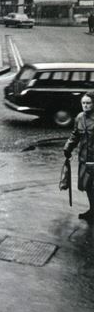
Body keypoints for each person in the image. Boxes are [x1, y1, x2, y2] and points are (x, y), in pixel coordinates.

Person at [64, 91, 94, 220]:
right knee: (87, 186)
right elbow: (75, 135)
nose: (85, 105)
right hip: (84, 158)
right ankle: (92, 211)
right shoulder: (79, 117)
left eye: (88, 103)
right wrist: (68, 147)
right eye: (83, 103)